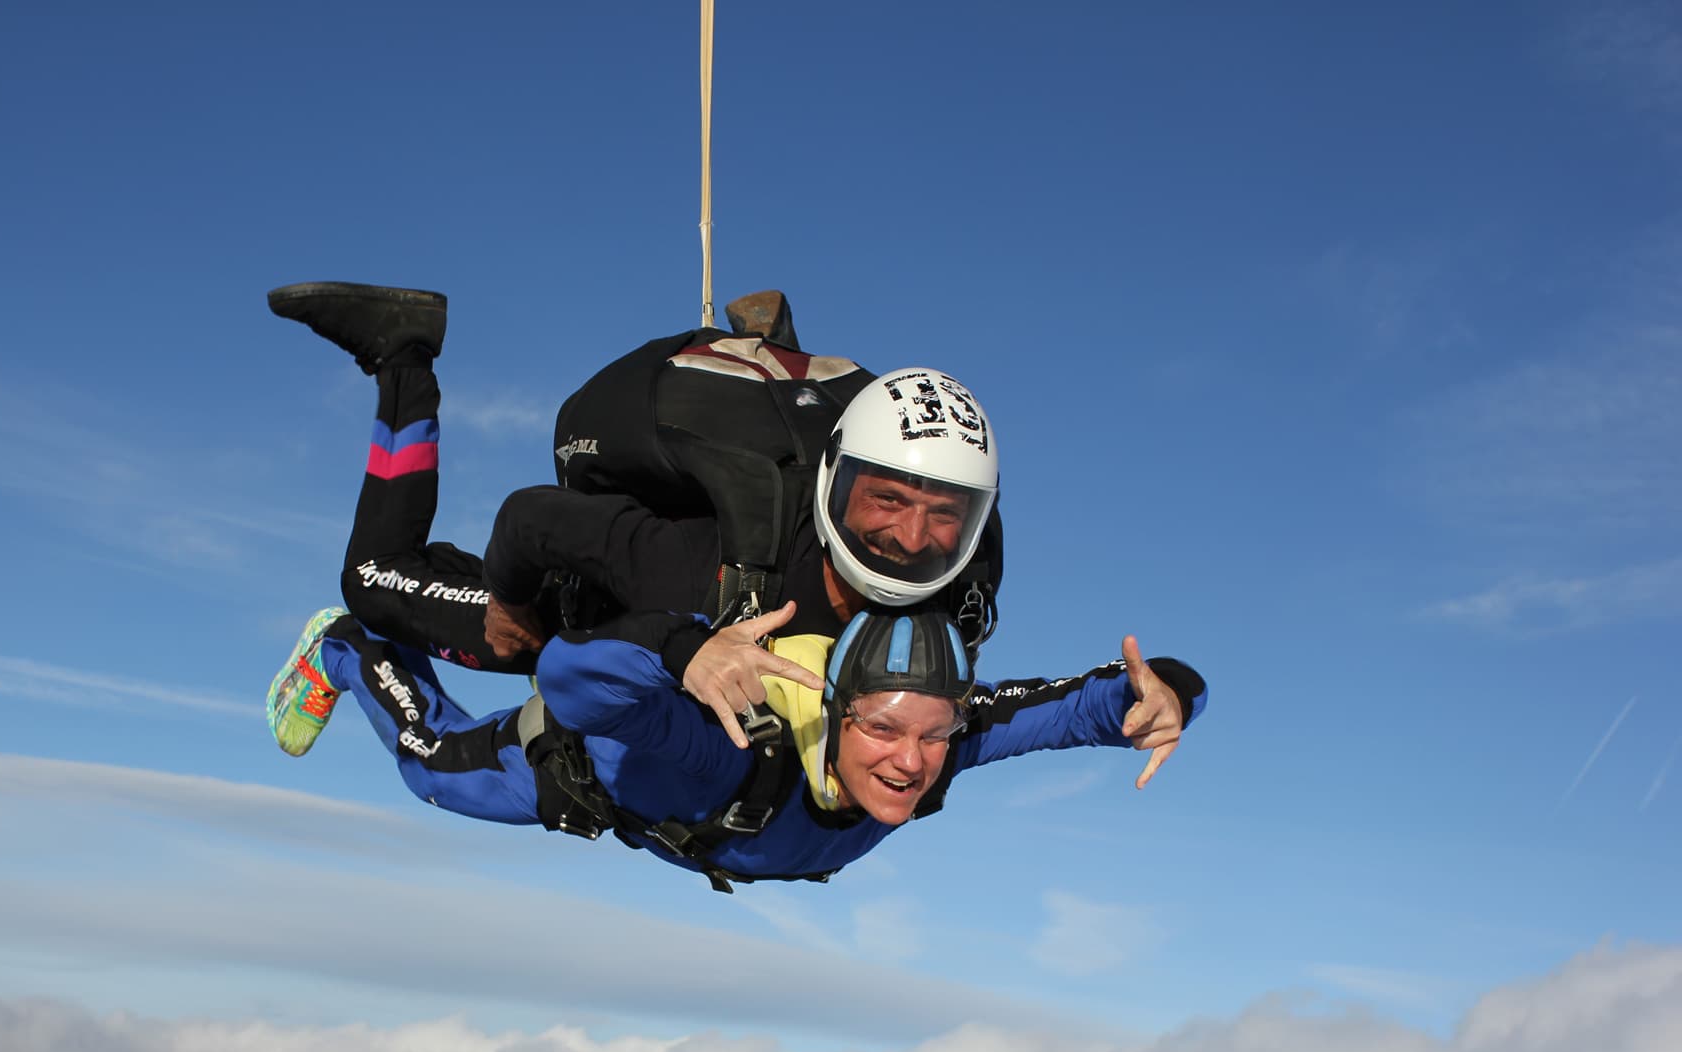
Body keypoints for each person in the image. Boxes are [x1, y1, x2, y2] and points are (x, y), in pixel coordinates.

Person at [267, 282, 1004, 718]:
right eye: (887, 500)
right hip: (573, 603)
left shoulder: (951, 605)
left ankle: (768, 356)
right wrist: (515, 609)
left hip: (657, 599)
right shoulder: (706, 568)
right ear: (836, 482)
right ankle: (403, 353)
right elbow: (530, 518)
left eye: (944, 514)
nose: (911, 538)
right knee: (373, 577)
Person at [267, 596, 1206, 890]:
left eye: (934, 733)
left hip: (677, 805)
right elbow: (569, 680)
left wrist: (1169, 697)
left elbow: (1093, 702)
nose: (911, 761)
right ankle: (347, 646)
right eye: (881, 728)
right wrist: (688, 649)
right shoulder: (735, 749)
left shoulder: (945, 742)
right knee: (426, 765)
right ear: (834, 713)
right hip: (578, 769)